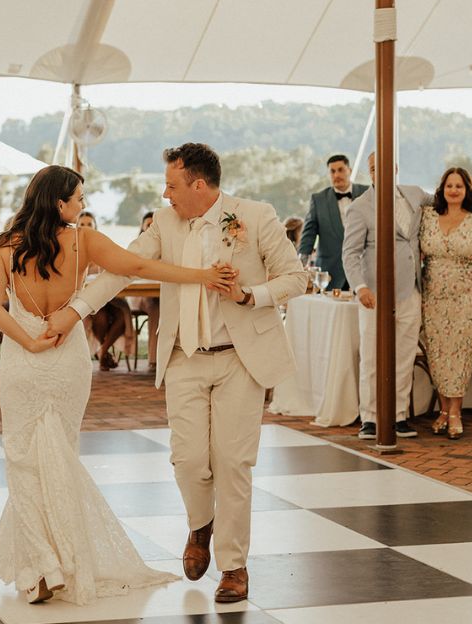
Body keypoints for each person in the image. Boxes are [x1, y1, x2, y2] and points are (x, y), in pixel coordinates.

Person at [46, 143, 307, 604]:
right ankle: (200, 524)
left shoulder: (256, 215)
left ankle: (233, 566)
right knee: (188, 460)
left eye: (171, 184)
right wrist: (76, 310)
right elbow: (121, 269)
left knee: (233, 462)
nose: (165, 194)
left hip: (240, 358)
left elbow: (295, 278)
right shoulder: (164, 223)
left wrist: (249, 295)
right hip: (184, 356)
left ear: (199, 185)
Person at [0, 164, 235, 606]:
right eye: (78, 199)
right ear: (60, 203)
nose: (83, 206)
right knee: (60, 454)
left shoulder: (3, 248)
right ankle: (58, 562)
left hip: (25, 359)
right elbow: (139, 265)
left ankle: (42, 569)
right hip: (67, 362)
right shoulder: (83, 242)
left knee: (23, 462)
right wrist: (202, 276)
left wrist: (26, 342)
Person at [342, 153, 472, 441]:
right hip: (374, 293)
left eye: (385, 168)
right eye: (374, 169)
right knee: (372, 358)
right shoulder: (360, 207)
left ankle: (399, 416)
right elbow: (349, 254)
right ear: (369, 173)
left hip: (412, 291)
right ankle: (371, 419)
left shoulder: (414, 194)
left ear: (395, 168)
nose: (380, 173)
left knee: (404, 356)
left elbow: (448, 199)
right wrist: (360, 287)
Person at [420, 168, 472, 439]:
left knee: (460, 354)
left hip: (468, 296)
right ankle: (442, 410)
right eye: (449, 185)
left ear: (467, 191)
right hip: (433, 296)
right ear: (441, 189)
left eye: (459, 186)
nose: (453, 190)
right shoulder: (427, 216)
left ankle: (455, 413)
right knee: (439, 353)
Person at [298, 154, 368, 290]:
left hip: (364, 270)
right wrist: (301, 263)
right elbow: (308, 234)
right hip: (329, 272)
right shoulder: (318, 199)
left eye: (341, 170)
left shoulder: (368, 193)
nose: (336, 175)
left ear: (350, 170)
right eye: (332, 171)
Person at [77, 210, 134, 370]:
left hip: (111, 297)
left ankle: (102, 351)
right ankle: (104, 352)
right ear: (77, 227)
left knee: (122, 316)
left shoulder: (102, 247)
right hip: (89, 299)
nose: (86, 227)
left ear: (95, 227)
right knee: (100, 317)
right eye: (82, 224)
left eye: (89, 224)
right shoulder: (74, 251)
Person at [129, 210, 161, 374]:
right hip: (141, 296)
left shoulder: (164, 245)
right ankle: (154, 359)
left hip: (161, 294)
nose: (150, 227)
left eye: (153, 224)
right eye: (148, 224)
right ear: (142, 226)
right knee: (155, 305)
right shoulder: (138, 246)